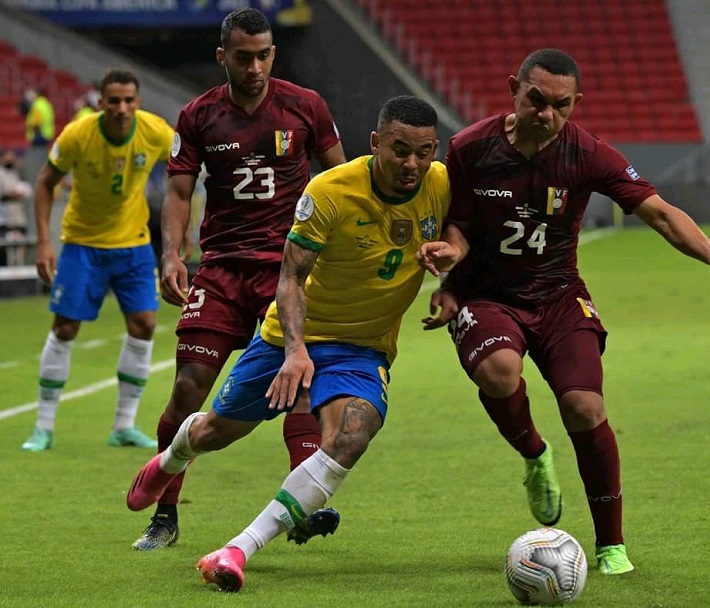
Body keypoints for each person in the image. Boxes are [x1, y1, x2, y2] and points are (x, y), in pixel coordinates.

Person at [417, 48, 710, 576]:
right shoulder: (469, 148)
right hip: (487, 293)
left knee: (584, 408)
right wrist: (449, 260)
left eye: (561, 105)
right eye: (536, 99)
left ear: (575, 103)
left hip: (559, 294)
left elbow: (659, 212)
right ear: (514, 88)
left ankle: (611, 545)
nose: (547, 114)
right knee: (499, 371)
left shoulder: (589, 154)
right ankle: (536, 456)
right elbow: (460, 224)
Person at [126, 94, 450, 592]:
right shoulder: (331, 190)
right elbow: (291, 279)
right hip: (287, 336)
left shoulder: (442, 183)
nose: (412, 164)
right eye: (400, 150)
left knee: (350, 436)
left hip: (361, 348)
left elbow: (468, 236)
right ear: (375, 143)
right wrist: (296, 350)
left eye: (424, 151)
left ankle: (238, 549)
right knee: (216, 430)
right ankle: (171, 458)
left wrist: (451, 275)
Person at [129, 7, 347, 552]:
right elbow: (179, 192)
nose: (255, 67)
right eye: (244, 57)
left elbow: (341, 180)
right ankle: (165, 513)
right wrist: (173, 255)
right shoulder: (198, 115)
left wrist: (338, 254)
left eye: (265, 55)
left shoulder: (306, 106)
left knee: (297, 385)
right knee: (187, 388)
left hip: (288, 270)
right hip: (222, 269)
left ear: (274, 52)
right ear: (222, 56)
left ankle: (300, 509)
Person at [20, 69, 174, 452]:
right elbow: (44, 183)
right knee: (66, 327)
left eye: (129, 101)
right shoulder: (78, 134)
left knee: (145, 325)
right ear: (100, 102)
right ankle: (43, 428)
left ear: (138, 102)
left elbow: (183, 174)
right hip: (82, 243)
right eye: (114, 101)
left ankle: (123, 426)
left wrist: (179, 235)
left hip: (134, 243)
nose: (122, 108)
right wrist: (43, 241)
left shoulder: (155, 131)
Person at [21, 87, 56, 184]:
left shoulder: (37, 105)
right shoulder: (47, 104)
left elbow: (37, 122)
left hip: (38, 136)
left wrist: (32, 128)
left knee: (38, 163)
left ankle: (37, 181)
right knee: (44, 160)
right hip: (47, 135)